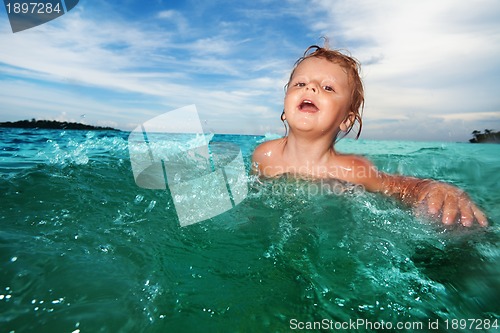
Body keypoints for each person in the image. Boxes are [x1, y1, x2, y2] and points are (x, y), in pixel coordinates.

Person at [251, 44, 488, 227]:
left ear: (346, 120)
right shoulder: (265, 155)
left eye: (328, 88)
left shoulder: (351, 170)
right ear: (284, 109)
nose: (310, 88)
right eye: (299, 83)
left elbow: (396, 186)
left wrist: (431, 187)